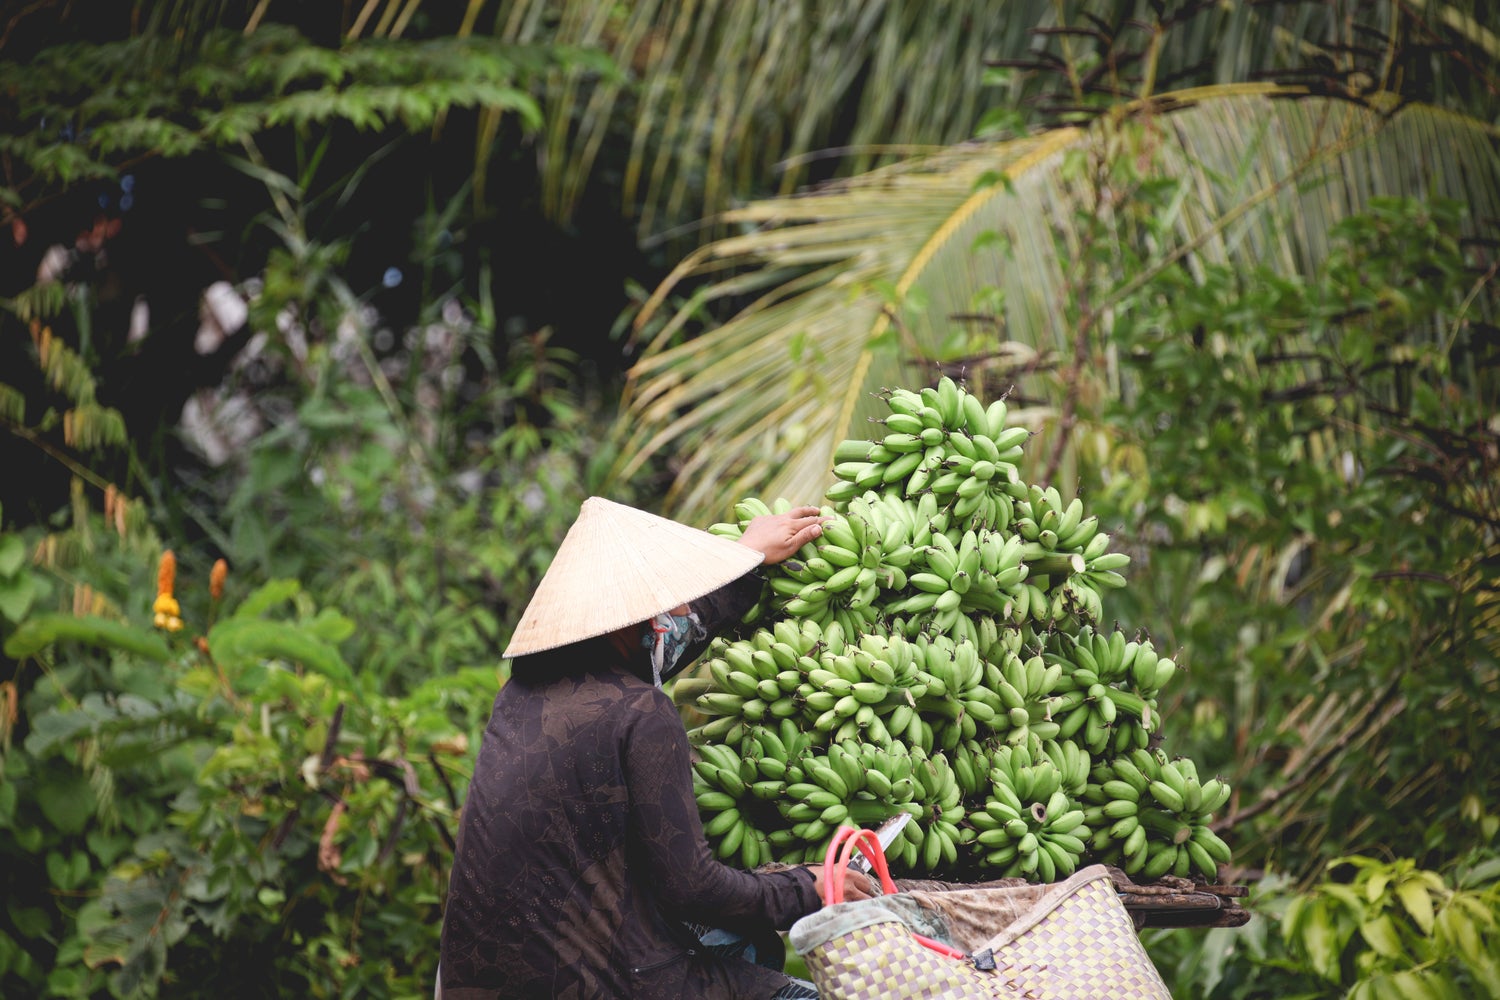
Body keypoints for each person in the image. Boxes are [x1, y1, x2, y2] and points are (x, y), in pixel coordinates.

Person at [438, 497, 874, 1000]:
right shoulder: (642, 713)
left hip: (478, 978)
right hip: (592, 980)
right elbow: (693, 887)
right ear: (642, 619)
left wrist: (746, 560)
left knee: (747, 943)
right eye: (667, 604)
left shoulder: (523, 697)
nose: (678, 614)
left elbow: (645, 658)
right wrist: (808, 887)